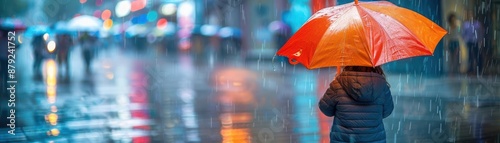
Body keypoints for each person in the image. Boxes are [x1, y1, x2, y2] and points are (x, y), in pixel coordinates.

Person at [319, 66, 394, 143]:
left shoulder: (338, 84)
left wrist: (335, 86)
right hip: (374, 139)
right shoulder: (381, 85)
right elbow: (387, 111)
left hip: (344, 139)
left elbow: (325, 108)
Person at [461, 10, 485, 75]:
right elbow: (463, 33)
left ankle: (479, 69)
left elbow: (481, 33)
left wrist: (481, 40)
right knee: (470, 55)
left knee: (477, 55)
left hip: (476, 41)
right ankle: (471, 68)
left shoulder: (477, 24)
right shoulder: (466, 24)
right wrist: (464, 39)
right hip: (469, 41)